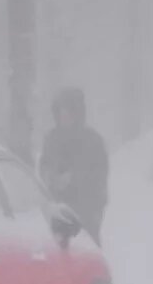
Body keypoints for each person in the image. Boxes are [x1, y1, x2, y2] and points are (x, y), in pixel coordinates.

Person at [38, 87, 109, 243]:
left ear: (77, 113)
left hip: (87, 215)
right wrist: (49, 177)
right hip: (58, 214)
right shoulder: (51, 139)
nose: (64, 116)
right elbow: (44, 165)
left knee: (86, 259)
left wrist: (73, 179)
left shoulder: (93, 141)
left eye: (68, 111)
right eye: (60, 112)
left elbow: (99, 176)